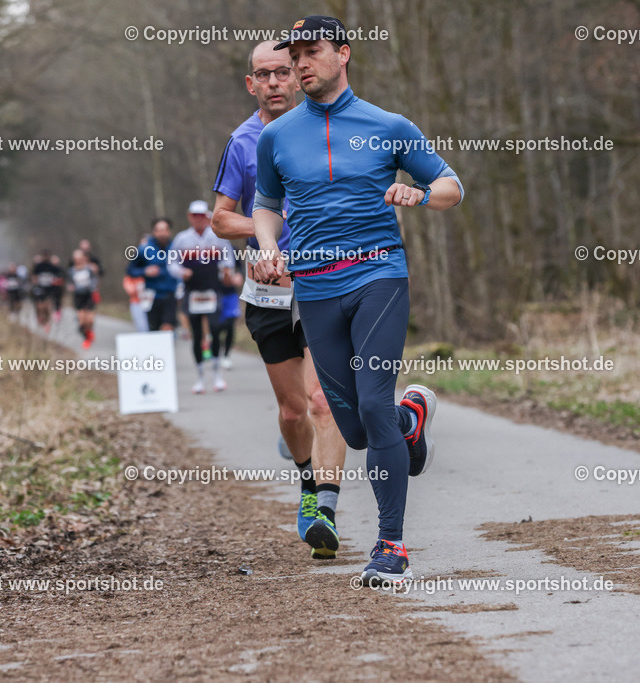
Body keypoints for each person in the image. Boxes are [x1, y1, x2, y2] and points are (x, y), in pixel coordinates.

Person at [253, 16, 464, 586]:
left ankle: (390, 548)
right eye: (294, 54)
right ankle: (410, 419)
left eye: (312, 52)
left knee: (371, 404)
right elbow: (266, 206)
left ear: (342, 54)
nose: (300, 64)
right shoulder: (277, 136)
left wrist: (418, 192)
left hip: (378, 276)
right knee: (358, 428)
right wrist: (269, 246)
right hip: (314, 286)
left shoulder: (388, 125)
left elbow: (451, 186)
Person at [212, 40, 347, 558]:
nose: (273, 82)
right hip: (267, 292)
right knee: (293, 413)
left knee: (321, 402)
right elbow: (222, 218)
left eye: (282, 73)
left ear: (299, 77)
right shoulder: (243, 142)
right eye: (262, 75)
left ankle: (325, 509)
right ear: (252, 84)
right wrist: (269, 229)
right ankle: (308, 483)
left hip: (323, 285)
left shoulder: (330, 131)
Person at [168, 200, 242, 394]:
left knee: (216, 329)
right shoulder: (182, 239)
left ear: (207, 216)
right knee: (196, 335)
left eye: (202, 216)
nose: (198, 220)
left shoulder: (217, 237)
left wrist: (226, 272)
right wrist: (181, 272)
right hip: (192, 291)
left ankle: (217, 374)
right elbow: (171, 263)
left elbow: (228, 259)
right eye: (195, 216)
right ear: (189, 217)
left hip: (213, 290)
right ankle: (200, 377)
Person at [127, 219, 179, 332]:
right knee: (154, 330)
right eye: (159, 230)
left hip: (170, 294)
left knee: (168, 328)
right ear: (154, 232)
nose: (162, 234)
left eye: (165, 230)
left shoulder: (176, 247)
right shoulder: (144, 249)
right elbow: (130, 270)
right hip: (151, 296)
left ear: (169, 231)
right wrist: (145, 271)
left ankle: (167, 347)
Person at [67, 249, 99, 348]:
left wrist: (93, 287)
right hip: (78, 296)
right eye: (76, 258)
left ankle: (89, 334)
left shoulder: (89, 269)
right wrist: (70, 286)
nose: (78, 260)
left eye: (80, 257)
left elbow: (95, 279)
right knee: (82, 321)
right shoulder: (71, 271)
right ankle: (86, 338)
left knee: (90, 320)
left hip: (88, 295)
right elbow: (69, 282)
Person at [31, 249, 61, 332]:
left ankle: (46, 322)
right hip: (40, 289)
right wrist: (35, 285)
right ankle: (41, 319)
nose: (45, 258)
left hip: (49, 290)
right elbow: (34, 276)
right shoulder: (39, 266)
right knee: (40, 307)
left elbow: (59, 275)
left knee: (47, 307)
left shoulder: (52, 267)